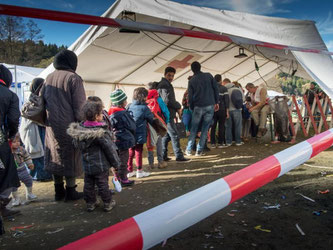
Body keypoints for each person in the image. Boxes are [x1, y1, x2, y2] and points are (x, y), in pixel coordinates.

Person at [41, 50, 86, 201]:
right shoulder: (73, 78)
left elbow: (43, 101)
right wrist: (85, 124)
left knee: (55, 155)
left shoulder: (49, 77)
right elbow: (80, 107)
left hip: (51, 126)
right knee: (70, 156)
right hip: (69, 125)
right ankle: (71, 191)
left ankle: (58, 191)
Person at [67, 101, 120, 212]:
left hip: (87, 164)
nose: (102, 116)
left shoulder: (79, 131)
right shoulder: (100, 132)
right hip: (101, 165)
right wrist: (116, 163)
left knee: (88, 184)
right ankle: (107, 202)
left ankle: (90, 203)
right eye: (101, 114)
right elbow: (110, 149)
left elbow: (76, 144)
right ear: (96, 116)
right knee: (103, 184)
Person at [19, 78, 52, 182]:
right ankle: (39, 175)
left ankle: (40, 175)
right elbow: (35, 114)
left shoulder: (32, 100)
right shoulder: (35, 100)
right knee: (38, 154)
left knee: (40, 153)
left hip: (36, 130)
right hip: (35, 130)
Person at [185, 61, 219, 156]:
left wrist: (192, 107)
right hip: (210, 105)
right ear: (200, 67)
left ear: (192, 70)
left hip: (198, 107)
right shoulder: (208, 76)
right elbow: (216, 88)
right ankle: (199, 151)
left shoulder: (191, 81)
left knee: (194, 129)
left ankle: (188, 149)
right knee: (205, 129)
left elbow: (190, 96)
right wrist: (216, 102)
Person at [0, 64, 21, 218]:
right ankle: (1, 207)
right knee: (7, 173)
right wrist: (11, 135)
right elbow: (13, 120)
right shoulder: (10, 95)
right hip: (0, 141)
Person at [157, 67, 189, 162]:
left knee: (166, 136)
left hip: (167, 113)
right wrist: (178, 106)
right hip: (167, 114)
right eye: (169, 75)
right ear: (165, 74)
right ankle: (179, 156)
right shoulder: (164, 85)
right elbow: (167, 101)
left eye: (172, 75)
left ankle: (163, 155)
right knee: (174, 135)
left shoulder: (165, 84)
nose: (171, 77)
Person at [109, 89, 136, 187]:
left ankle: (117, 176)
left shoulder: (110, 113)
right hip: (124, 140)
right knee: (123, 159)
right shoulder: (122, 113)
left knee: (115, 159)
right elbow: (132, 126)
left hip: (114, 140)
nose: (126, 102)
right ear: (121, 102)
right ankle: (123, 179)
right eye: (125, 100)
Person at [127, 87, 154, 178]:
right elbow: (151, 118)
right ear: (143, 97)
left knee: (130, 151)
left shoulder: (129, 106)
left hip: (130, 133)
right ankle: (139, 171)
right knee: (138, 151)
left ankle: (129, 170)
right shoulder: (144, 108)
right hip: (140, 134)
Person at [146, 83, 170, 169]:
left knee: (150, 143)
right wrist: (165, 122)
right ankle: (160, 162)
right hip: (158, 123)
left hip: (148, 123)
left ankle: (150, 164)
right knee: (159, 142)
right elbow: (166, 111)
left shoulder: (145, 98)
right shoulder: (158, 99)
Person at [10, 133, 38, 206]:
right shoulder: (8, 151)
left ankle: (29, 194)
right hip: (13, 172)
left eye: (18, 141)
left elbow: (27, 156)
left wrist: (29, 164)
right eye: (14, 142)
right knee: (13, 185)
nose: (17, 143)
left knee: (28, 180)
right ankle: (16, 198)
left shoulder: (21, 149)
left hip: (22, 169)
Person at [210, 74, 229, 148]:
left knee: (213, 126)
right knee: (221, 126)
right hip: (222, 109)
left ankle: (212, 143)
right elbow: (226, 100)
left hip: (213, 110)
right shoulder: (224, 88)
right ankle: (221, 143)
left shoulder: (211, 88)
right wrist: (227, 111)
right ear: (221, 80)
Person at [224, 78, 244, 146]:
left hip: (227, 110)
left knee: (228, 127)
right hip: (237, 110)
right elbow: (243, 99)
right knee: (237, 126)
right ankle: (238, 141)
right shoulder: (237, 89)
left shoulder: (224, 90)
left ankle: (228, 142)